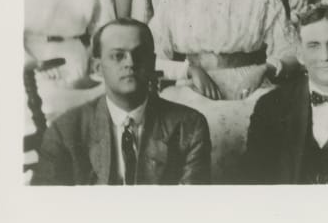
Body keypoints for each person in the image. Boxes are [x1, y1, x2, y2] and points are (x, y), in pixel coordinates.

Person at [149, 0, 297, 181]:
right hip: (191, 88)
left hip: (250, 88)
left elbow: (293, 53)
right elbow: (150, 56)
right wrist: (188, 70)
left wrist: (264, 69)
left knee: (268, 125)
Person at [32, 19, 211, 185]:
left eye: (139, 54)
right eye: (118, 56)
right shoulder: (65, 131)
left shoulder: (189, 127)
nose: (130, 63)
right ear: (98, 67)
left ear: (152, 63)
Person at [243, 5, 328, 184]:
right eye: (314, 46)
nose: (325, 56)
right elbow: (254, 182)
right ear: (300, 54)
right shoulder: (270, 107)